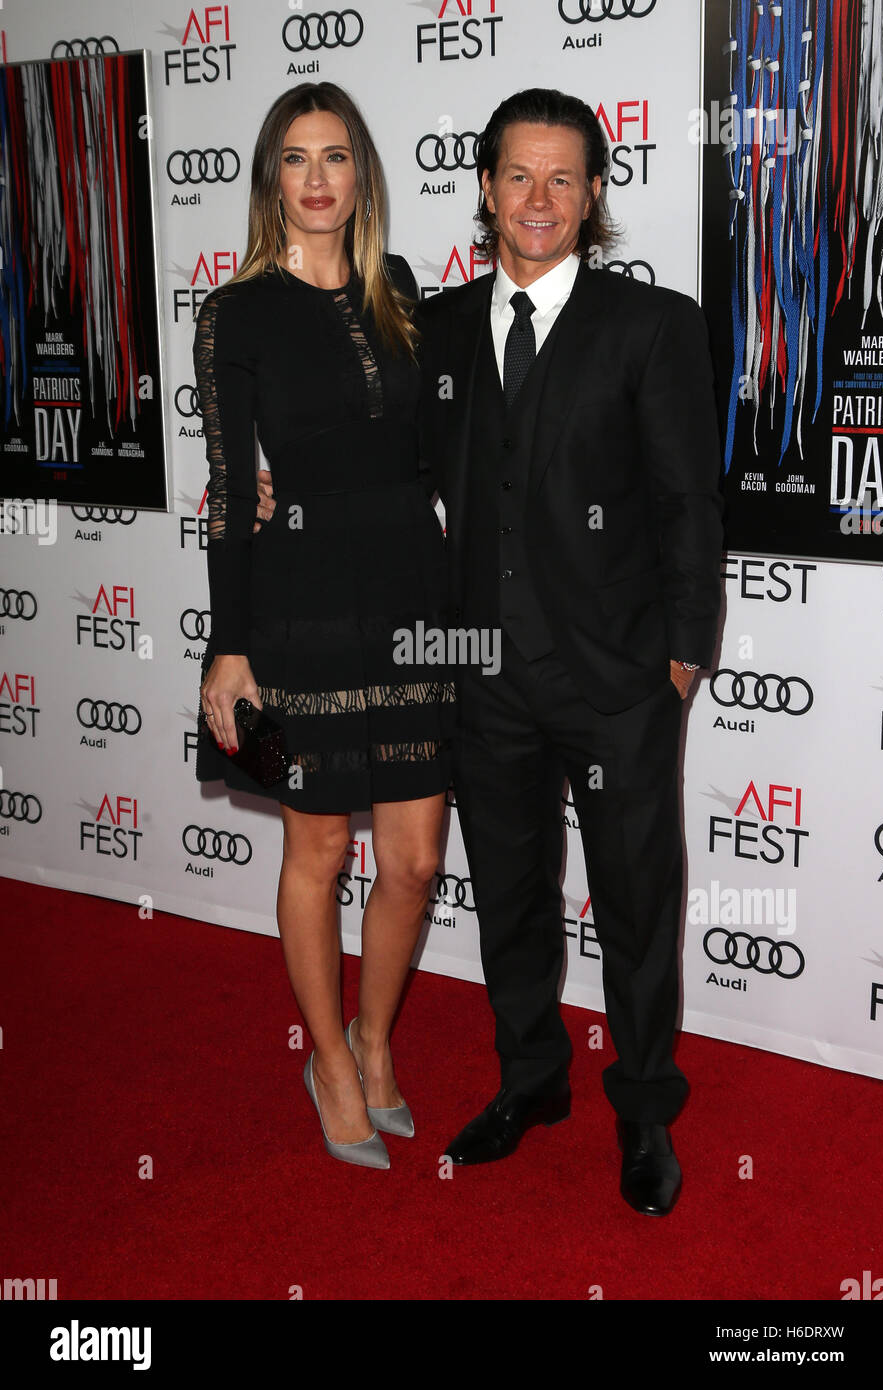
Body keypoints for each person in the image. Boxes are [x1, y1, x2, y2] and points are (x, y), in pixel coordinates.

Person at [415, 88, 724, 1214]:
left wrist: (682, 657)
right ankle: (533, 1079)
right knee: (509, 894)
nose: (536, 200)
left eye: (562, 179)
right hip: (482, 679)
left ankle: (643, 1109)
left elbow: (691, 502)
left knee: (637, 903)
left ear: (595, 193)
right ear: (486, 187)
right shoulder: (439, 327)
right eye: (516, 176)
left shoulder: (653, 325)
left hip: (618, 680)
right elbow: (393, 479)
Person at [193, 82, 454, 1171]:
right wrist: (229, 641)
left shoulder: (401, 291)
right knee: (321, 845)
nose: (315, 180)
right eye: (294, 159)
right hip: (296, 600)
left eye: (335, 157)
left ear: (361, 175)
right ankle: (330, 1064)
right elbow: (225, 486)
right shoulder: (237, 311)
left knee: (414, 859)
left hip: (410, 592)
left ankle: (375, 1036)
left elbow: (440, 451)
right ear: (270, 180)